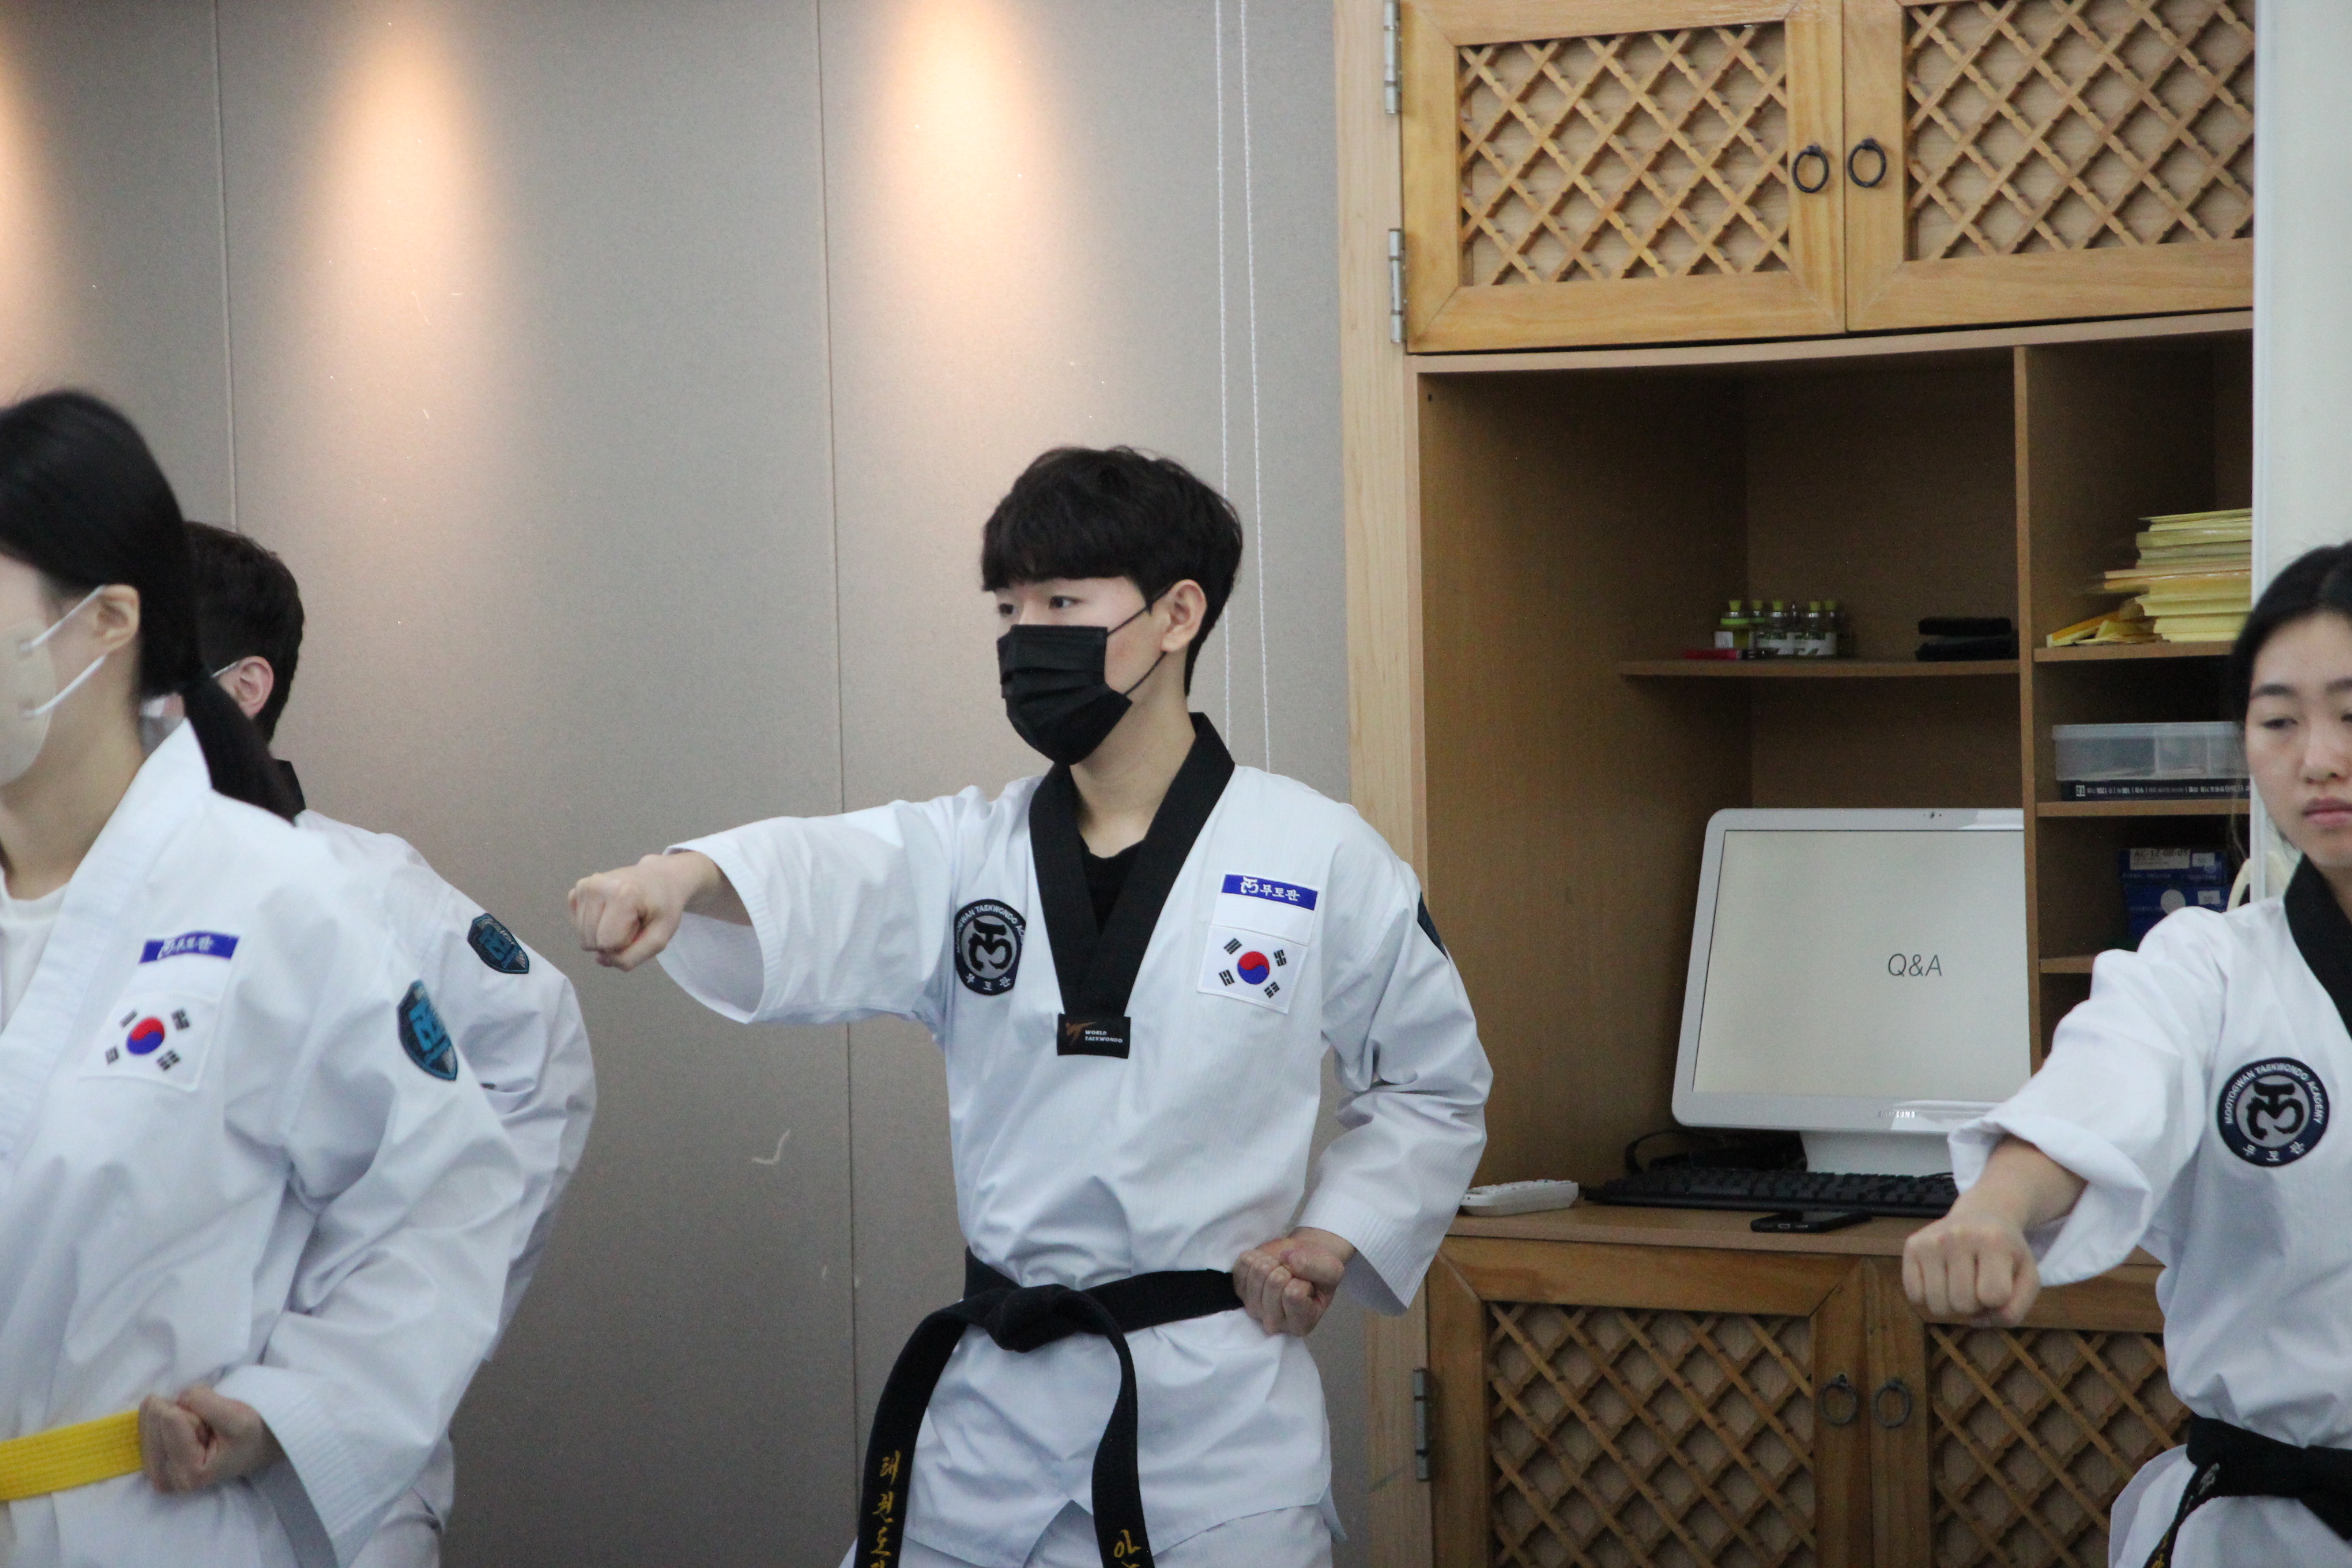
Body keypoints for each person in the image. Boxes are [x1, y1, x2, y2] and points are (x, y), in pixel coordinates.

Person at [570, 446, 1490, 1568]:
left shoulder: (1315, 853)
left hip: (1214, 1432)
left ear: (1177, 615)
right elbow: (827, 870)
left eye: (1061, 602)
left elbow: (1433, 1085)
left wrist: (1333, 1235)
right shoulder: (969, 851)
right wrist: (677, 878)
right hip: (988, 1424)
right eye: (1008, 609)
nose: (1025, 637)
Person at [0, 391, 521, 1567]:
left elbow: (444, 1198)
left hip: (140, 1519)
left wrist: (290, 1410)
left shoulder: (275, 898)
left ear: (103, 624)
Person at [1904, 542, 2352, 1567]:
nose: (2319, 759)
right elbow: (2101, 1091)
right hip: (2274, 1534)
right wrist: (1992, 1211)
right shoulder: (2205, 969)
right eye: (2278, 721)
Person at [185, 521, 598, 1568]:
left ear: (243, 689)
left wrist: (390, 1342)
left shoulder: (366, 888)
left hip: (333, 1480)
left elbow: (540, 1059)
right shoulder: (49, 903)